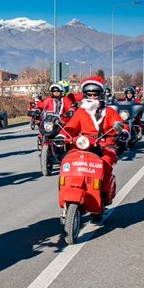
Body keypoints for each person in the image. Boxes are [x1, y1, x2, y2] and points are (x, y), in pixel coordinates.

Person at [57, 77, 129, 206]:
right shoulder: (80, 112)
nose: (92, 97)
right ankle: (69, 187)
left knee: (106, 163)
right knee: (69, 160)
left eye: (95, 94)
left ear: (101, 95)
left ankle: (104, 194)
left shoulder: (110, 112)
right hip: (83, 145)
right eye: (89, 94)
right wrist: (62, 136)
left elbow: (120, 124)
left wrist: (123, 132)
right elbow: (71, 127)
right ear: (84, 95)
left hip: (106, 146)